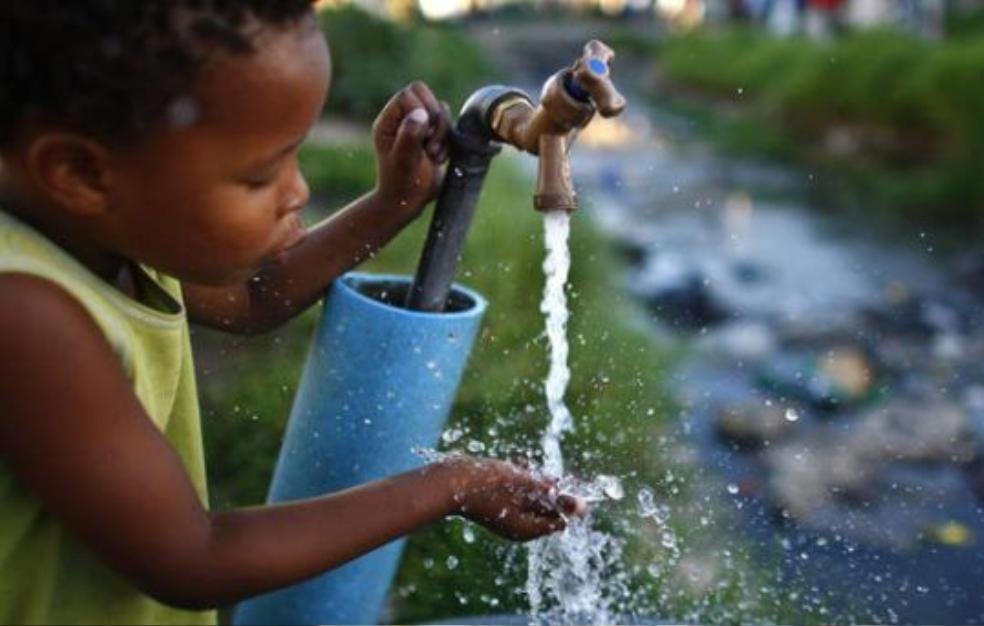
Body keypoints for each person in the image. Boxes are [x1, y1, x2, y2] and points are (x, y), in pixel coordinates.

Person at [0, 2, 583, 624]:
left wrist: (395, 201)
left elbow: (255, 300)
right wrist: (451, 485)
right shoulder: (23, 312)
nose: (298, 191)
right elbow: (192, 557)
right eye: (259, 175)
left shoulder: (107, 232)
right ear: (81, 172)